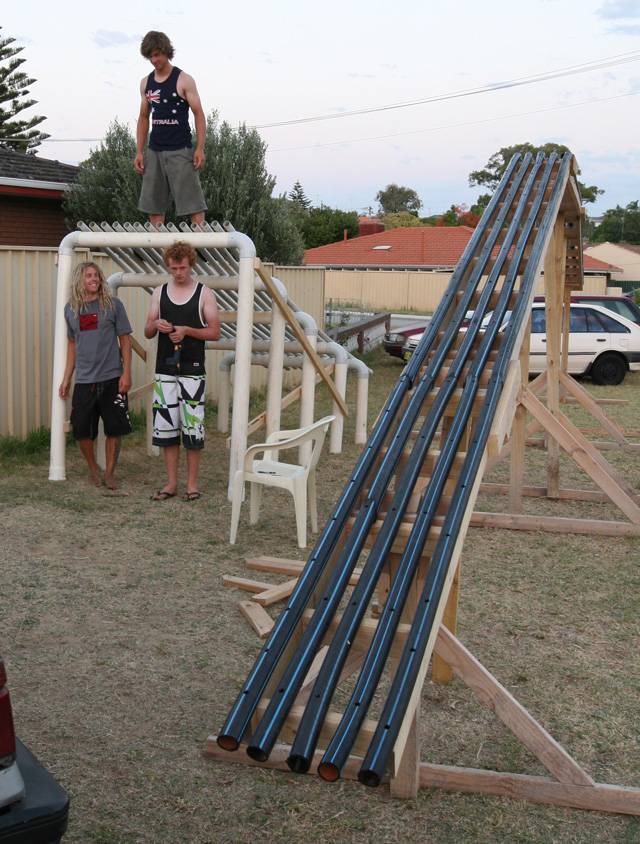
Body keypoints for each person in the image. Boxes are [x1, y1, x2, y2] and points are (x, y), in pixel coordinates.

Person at [144, 241, 220, 501]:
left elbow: (215, 331)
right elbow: (147, 331)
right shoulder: (159, 292)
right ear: (168, 266)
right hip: (165, 369)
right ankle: (171, 483)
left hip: (192, 369)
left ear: (191, 265)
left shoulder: (204, 293)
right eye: (174, 268)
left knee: (192, 427)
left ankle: (192, 485)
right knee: (167, 427)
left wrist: (187, 331)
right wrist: (157, 324)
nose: (178, 273)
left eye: (183, 268)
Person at [59, 262, 133, 490]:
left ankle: (109, 473)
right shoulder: (70, 310)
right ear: (79, 281)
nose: (93, 279)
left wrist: (126, 373)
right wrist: (66, 378)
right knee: (81, 430)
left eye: (96, 275)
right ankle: (93, 469)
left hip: (112, 379)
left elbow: (125, 340)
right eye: (88, 276)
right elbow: (72, 345)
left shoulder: (113, 305)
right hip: (84, 381)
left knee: (115, 429)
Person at [134, 30, 207, 226]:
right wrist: (139, 151)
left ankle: (200, 244)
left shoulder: (184, 80)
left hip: (181, 150)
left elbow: (199, 114)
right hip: (154, 151)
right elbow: (143, 117)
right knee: (154, 209)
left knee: (194, 207)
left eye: (157, 54)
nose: (154, 60)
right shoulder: (145, 83)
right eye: (150, 56)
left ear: (166, 52)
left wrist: (200, 148)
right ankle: (157, 246)